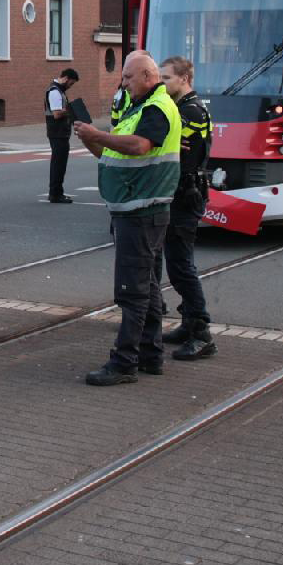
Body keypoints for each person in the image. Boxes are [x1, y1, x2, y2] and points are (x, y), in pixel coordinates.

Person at [75, 51, 182, 387]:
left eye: (128, 77)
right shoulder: (137, 107)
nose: (123, 83)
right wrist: (92, 139)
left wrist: (99, 136)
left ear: (149, 76)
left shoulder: (157, 108)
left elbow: (138, 146)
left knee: (132, 291)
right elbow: (115, 152)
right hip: (135, 208)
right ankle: (150, 355)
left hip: (142, 210)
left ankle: (125, 362)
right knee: (147, 287)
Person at [151, 57, 216, 361]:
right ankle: (189, 323)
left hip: (185, 195)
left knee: (180, 266)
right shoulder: (182, 108)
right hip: (181, 193)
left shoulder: (190, 110)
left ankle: (201, 332)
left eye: (165, 78)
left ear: (184, 78)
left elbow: (165, 143)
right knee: (178, 264)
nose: (161, 83)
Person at [45, 66, 80, 204]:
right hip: (57, 133)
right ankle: (55, 194)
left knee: (59, 164)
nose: (70, 87)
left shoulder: (59, 91)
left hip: (60, 133)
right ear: (65, 78)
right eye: (71, 83)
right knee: (58, 164)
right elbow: (57, 113)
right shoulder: (54, 91)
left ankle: (56, 192)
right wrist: (71, 110)